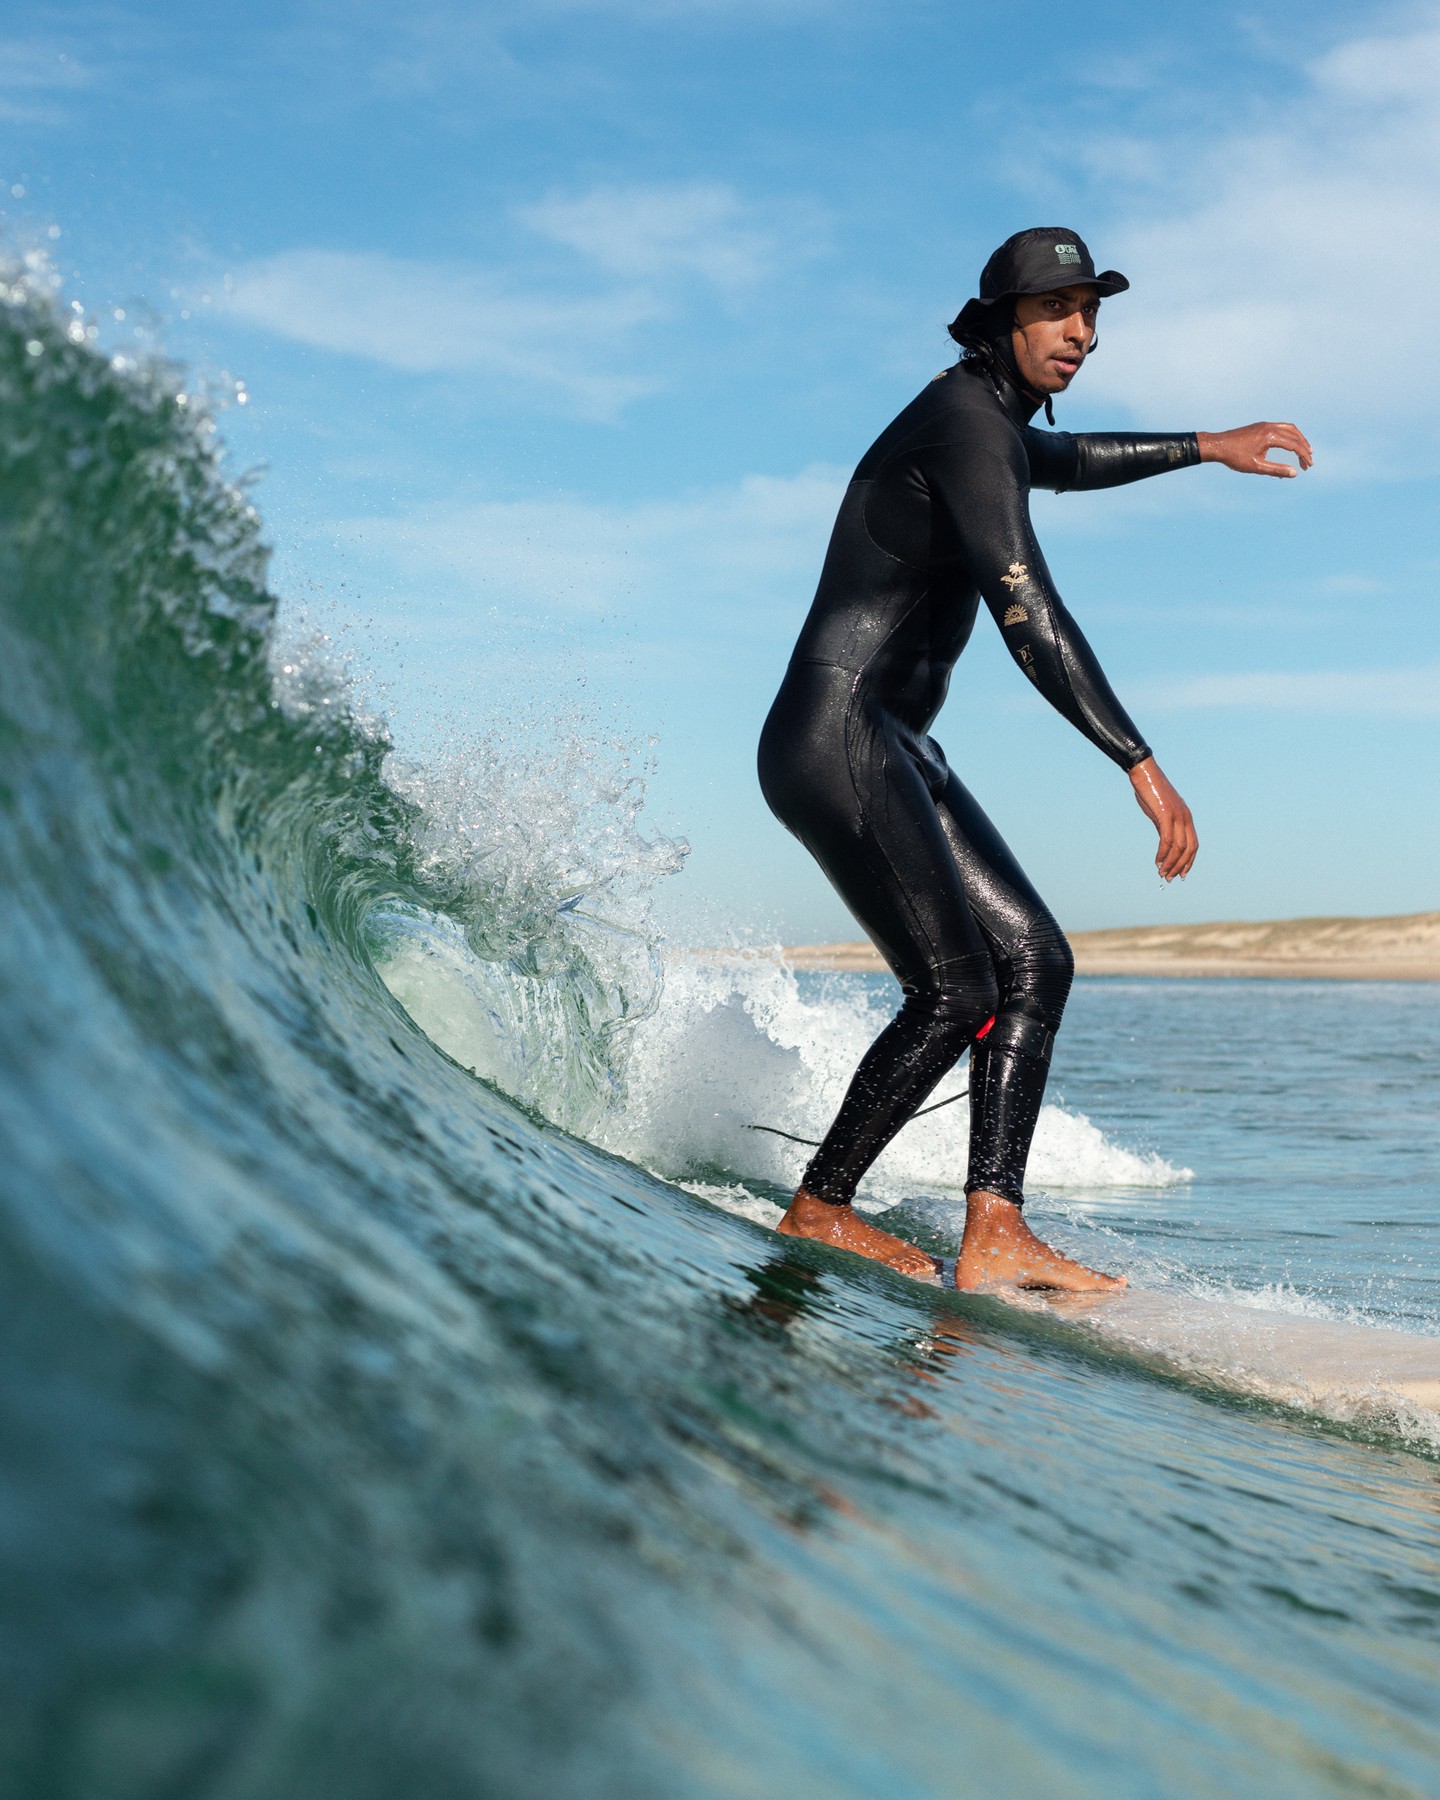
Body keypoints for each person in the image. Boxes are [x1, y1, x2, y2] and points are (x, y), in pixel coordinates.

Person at [757, 227, 1311, 1292]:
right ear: (1002, 321)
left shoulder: (987, 427)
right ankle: (821, 1207)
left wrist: (1208, 443)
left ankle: (994, 1231)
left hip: (893, 743)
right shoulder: (965, 425)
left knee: (1034, 963)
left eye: (1093, 312)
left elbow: (1065, 457)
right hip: (837, 734)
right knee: (952, 986)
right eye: (1058, 312)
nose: (1082, 333)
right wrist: (1138, 762)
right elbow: (1028, 610)